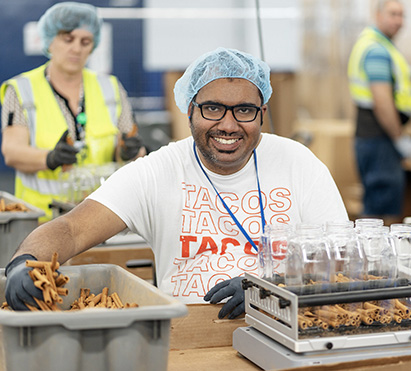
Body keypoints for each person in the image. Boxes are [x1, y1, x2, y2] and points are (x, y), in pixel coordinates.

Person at [4, 47, 348, 319]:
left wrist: (276, 286)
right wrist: (25, 261)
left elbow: (342, 256)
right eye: (213, 108)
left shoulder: (299, 164)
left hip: (287, 326)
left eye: (244, 110)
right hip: (184, 337)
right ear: (189, 111)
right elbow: (73, 229)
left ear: (262, 112)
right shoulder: (158, 171)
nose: (228, 125)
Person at [0, 2, 146, 222]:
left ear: (93, 45)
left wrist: (130, 152)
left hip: (101, 216)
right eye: (68, 39)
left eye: (85, 41)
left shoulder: (111, 88)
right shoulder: (22, 90)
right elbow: (11, 151)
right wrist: (49, 158)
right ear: (49, 40)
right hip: (42, 220)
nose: (76, 48)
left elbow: (131, 146)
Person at [347, 0, 411, 220]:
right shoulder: (376, 50)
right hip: (380, 139)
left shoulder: (376, 44)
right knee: (381, 216)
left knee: (376, 208)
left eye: (402, 15)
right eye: (393, 14)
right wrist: (398, 138)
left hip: (375, 139)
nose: (399, 21)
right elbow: (382, 100)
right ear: (378, 15)